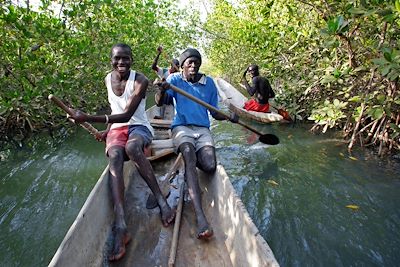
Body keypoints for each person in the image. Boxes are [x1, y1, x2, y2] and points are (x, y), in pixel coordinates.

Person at [70, 43, 175, 261]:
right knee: (115, 155)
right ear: (111, 60)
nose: (121, 63)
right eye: (117, 58)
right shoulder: (108, 79)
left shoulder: (141, 80)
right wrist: (106, 131)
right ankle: (120, 223)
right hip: (117, 127)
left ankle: (161, 199)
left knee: (133, 147)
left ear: (131, 60)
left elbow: (127, 115)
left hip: (139, 127)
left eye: (126, 58)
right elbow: (114, 110)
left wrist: (87, 117)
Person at [155, 48, 238, 240]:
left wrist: (230, 117)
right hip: (181, 127)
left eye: (196, 63)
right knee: (189, 153)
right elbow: (160, 103)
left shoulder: (208, 83)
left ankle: (189, 162)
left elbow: (215, 112)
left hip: (202, 130)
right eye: (189, 63)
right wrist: (160, 88)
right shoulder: (175, 80)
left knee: (209, 166)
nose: (193, 66)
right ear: (182, 65)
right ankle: (200, 216)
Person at [151, 46, 180, 119]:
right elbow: (153, 67)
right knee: (164, 92)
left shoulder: (178, 75)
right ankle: (161, 115)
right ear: (171, 66)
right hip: (162, 95)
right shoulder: (164, 71)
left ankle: (171, 116)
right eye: (175, 67)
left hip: (172, 97)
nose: (177, 69)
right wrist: (158, 54)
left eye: (178, 67)